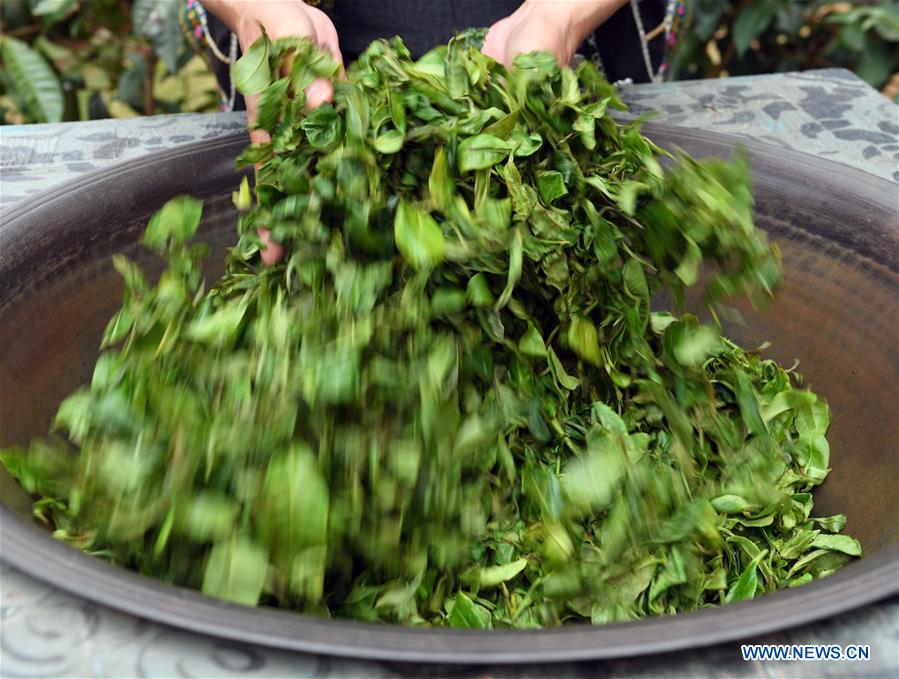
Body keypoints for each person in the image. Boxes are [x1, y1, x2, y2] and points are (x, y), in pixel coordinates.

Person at [186, 0, 682, 262]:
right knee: (313, 227)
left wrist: (563, 14)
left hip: (555, 46)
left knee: (579, 229)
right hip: (316, 59)